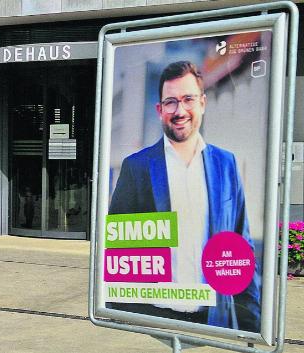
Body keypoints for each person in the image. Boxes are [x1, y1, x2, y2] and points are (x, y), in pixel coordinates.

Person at [108, 61, 260, 331]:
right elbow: (120, 248)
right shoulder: (137, 167)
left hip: (215, 318)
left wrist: (251, 320)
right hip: (156, 317)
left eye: (188, 99)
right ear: (159, 110)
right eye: (170, 102)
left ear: (202, 102)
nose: (180, 111)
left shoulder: (226, 165)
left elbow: (241, 245)